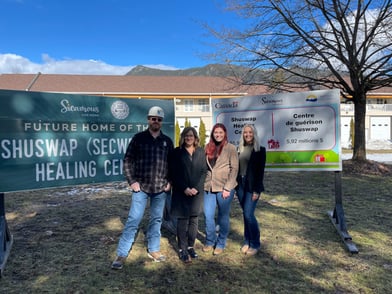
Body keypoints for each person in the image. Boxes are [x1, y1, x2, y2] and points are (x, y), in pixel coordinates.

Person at [111, 106, 174, 270]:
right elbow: (127, 161)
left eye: (159, 119)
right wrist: (132, 181)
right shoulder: (139, 138)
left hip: (160, 188)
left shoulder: (167, 141)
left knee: (156, 220)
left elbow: (173, 165)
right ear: (148, 119)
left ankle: (154, 249)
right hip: (142, 188)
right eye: (153, 118)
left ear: (161, 122)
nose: (156, 122)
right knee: (133, 219)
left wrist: (170, 182)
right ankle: (122, 253)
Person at [169, 127, 207, 263]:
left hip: (196, 193)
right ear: (183, 137)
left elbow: (204, 171)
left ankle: (191, 246)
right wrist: (184, 188)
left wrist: (196, 188)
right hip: (181, 192)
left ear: (195, 137)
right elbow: (173, 173)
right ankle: (182, 249)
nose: (189, 138)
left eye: (191, 135)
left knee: (194, 220)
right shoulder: (176, 152)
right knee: (183, 220)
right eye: (186, 136)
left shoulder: (201, 152)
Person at [203, 123, 239, 255]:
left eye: (220, 132)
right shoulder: (208, 147)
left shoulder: (231, 148)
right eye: (215, 132)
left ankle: (221, 242)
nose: (218, 135)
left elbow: (234, 168)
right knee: (208, 215)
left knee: (223, 216)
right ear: (212, 134)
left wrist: (228, 188)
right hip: (209, 187)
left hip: (224, 188)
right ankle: (210, 240)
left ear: (225, 134)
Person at [236, 124, 266, 256]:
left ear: (254, 134)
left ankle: (255, 243)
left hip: (252, 186)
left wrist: (256, 190)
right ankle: (247, 241)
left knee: (249, 214)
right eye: (245, 132)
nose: (247, 134)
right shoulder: (240, 149)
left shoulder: (260, 150)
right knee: (245, 214)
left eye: (250, 132)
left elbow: (260, 173)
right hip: (240, 185)